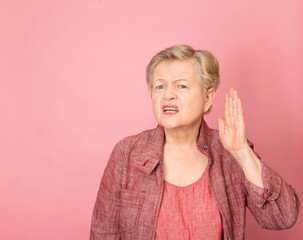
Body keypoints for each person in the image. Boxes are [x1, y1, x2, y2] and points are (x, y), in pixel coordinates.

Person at [89, 44, 300, 240]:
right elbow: (103, 233)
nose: (168, 95)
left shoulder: (230, 152)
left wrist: (242, 152)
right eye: (159, 87)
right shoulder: (126, 153)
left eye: (181, 86)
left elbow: (283, 217)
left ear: (207, 98)